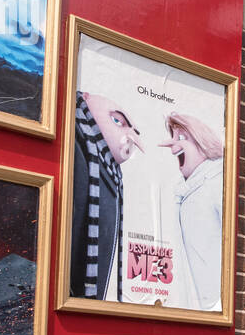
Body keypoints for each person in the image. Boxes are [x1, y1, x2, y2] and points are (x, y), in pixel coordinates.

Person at [70, 91, 142, 301]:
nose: (130, 137)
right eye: (118, 121)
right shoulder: (78, 149)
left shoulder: (109, 175)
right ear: (86, 99)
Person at [158, 111, 224, 311]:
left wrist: (219, 305)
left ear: (202, 141)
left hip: (214, 309)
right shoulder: (184, 190)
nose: (172, 147)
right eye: (173, 138)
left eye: (182, 137)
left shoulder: (217, 183)